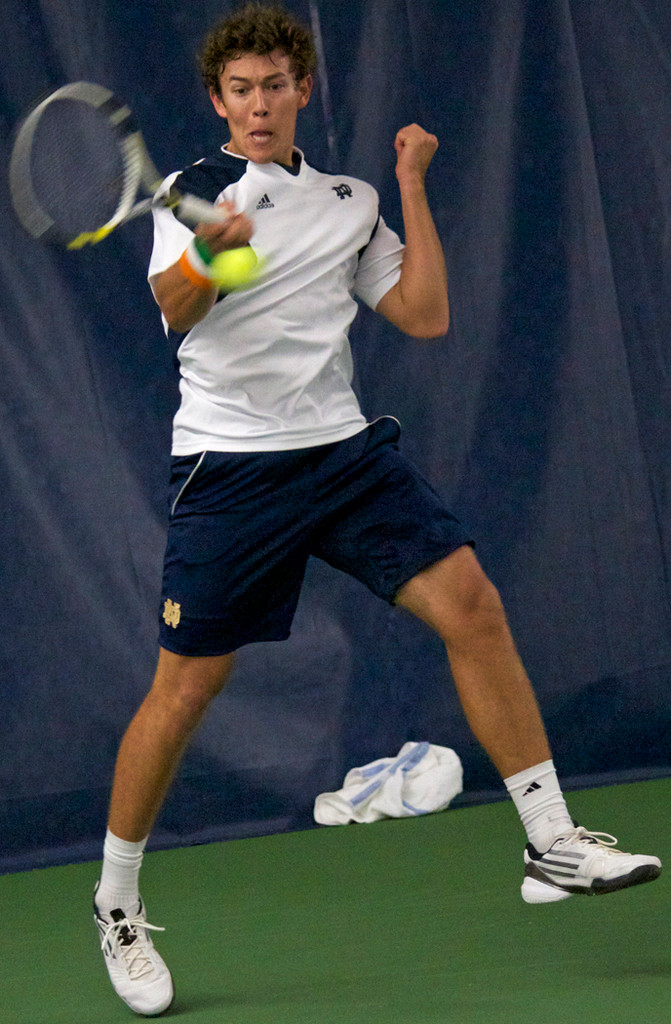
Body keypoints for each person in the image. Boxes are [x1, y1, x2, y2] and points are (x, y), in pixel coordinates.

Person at [92, 3, 661, 1016]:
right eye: (240, 90)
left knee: (473, 605)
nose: (258, 105)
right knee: (183, 693)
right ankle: (118, 903)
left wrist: (406, 187)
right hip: (231, 471)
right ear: (216, 103)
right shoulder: (192, 191)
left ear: (301, 90)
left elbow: (423, 314)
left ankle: (550, 840)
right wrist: (214, 249)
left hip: (344, 456)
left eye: (274, 85)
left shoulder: (350, 200)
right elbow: (174, 313)